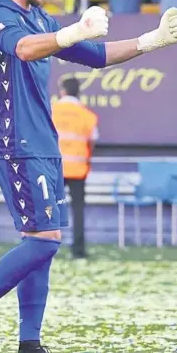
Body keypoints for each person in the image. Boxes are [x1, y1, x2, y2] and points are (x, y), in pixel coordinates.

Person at [0, 0, 177, 353]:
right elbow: (24, 47)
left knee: (41, 243)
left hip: (45, 144)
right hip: (15, 143)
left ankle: (30, 346)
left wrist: (151, 40)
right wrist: (71, 30)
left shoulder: (40, 16)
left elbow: (94, 55)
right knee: (44, 242)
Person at [52, 78, 97, 259]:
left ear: (62, 91)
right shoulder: (87, 115)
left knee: (49, 208)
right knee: (77, 210)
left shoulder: (51, 111)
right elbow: (92, 141)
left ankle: (44, 246)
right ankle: (78, 250)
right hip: (78, 169)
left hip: (54, 168)